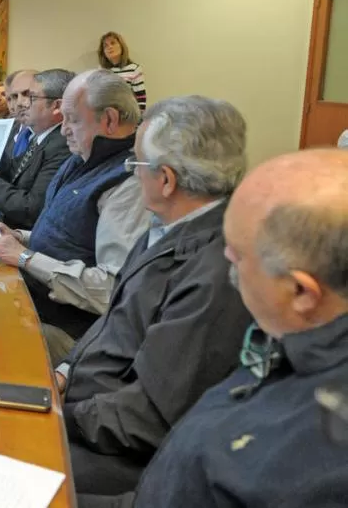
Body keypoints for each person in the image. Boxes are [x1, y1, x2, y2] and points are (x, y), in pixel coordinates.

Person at [80, 149, 348, 508]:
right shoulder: (289, 340)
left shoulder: (315, 454)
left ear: (300, 292)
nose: (223, 259)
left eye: (237, 255)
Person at [56, 96, 251, 496]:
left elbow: (147, 417)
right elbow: (114, 319)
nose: (132, 175)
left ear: (166, 179)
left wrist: (59, 414)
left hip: (121, 452)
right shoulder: (166, 226)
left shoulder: (217, 274)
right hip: (90, 407)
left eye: (136, 166)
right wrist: (63, 372)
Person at [0, 69, 152, 338]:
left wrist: (26, 257)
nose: (64, 129)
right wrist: (19, 236)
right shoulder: (81, 158)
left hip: (62, 324)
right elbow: (69, 237)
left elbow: (110, 289)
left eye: (73, 119)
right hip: (28, 294)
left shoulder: (127, 182)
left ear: (109, 120)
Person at [0, 69, 73, 229]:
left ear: (57, 106)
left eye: (30, 97)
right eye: (14, 97)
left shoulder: (64, 144)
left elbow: (31, 210)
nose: (20, 103)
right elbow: (13, 175)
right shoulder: (39, 137)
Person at [98, 31, 146, 112]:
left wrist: (138, 121)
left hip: (128, 116)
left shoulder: (134, 69)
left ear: (121, 46)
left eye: (113, 43)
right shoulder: (101, 71)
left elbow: (141, 98)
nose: (109, 47)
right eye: (105, 46)